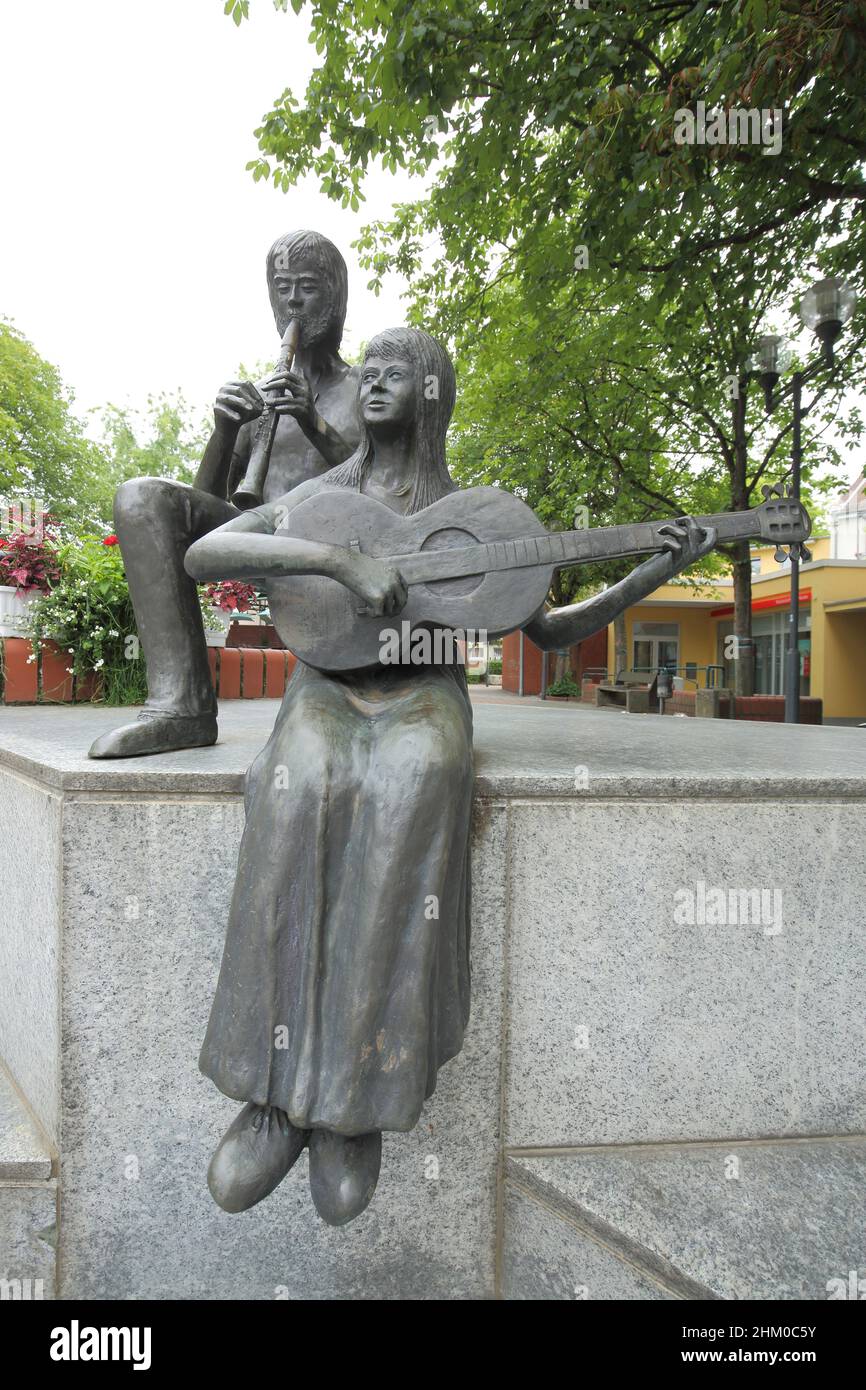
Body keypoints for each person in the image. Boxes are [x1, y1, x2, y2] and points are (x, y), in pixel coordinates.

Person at [184, 325, 715, 1226]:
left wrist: (657, 570)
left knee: (419, 780)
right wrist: (333, 560)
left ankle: (354, 1105)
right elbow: (206, 554)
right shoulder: (320, 497)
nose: (380, 381)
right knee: (299, 782)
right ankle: (272, 1094)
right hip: (327, 685)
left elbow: (548, 629)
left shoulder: (478, 515)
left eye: (403, 372)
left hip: (425, 690)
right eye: (374, 370)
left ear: (435, 395)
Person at [87, 230, 361, 759]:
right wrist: (222, 433)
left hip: (337, 547)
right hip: (257, 541)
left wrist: (313, 422)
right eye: (281, 288)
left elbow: (382, 484)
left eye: (307, 287)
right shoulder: (260, 397)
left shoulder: (364, 387)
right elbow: (201, 516)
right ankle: (182, 707)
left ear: (336, 295)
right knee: (142, 498)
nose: (292, 301)